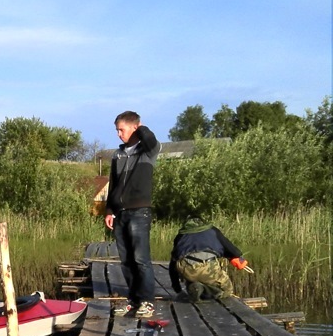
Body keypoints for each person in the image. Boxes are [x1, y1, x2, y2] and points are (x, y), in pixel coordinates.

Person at [105, 111, 160, 318]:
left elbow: (150, 139)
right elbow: (113, 185)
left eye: (122, 129)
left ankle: (147, 301)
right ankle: (134, 300)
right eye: (117, 130)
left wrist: (141, 128)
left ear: (134, 128)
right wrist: (109, 210)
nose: (119, 134)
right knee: (126, 260)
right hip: (120, 213)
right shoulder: (118, 155)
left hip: (139, 212)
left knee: (140, 258)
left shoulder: (147, 151)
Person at [169, 217, 250, 302]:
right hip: (208, 266)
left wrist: (177, 288)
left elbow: (173, 263)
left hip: (186, 268)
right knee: (227, 290)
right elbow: (234, 251)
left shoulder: (181, 235)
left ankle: (195, 287)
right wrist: (233, 257)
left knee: (192, 279)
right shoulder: (212, 230)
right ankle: (205, 290)